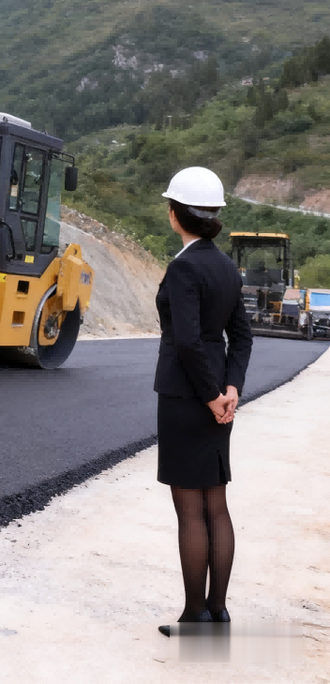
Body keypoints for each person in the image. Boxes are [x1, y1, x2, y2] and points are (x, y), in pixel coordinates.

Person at [154, 166, 252, 637]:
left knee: (190, 511)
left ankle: (195, 617)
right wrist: (231, 389)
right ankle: (218, 613)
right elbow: (242, 336)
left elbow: (187, 342)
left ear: (175, 214)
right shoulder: (227, 268)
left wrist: (212, 395)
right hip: (218, 401)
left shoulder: (183, 267)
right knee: (216, 503)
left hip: (186, 395)